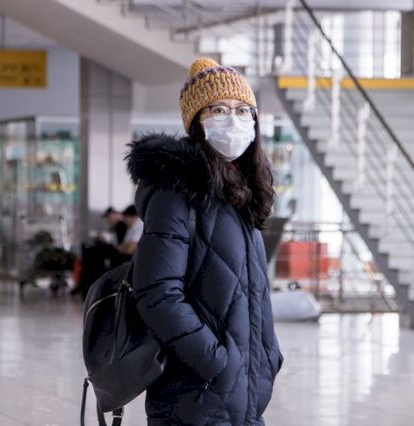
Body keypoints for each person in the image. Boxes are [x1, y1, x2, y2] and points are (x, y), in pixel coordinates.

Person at [125, 58, 283, 425]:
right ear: (196, 121)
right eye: (219, 110)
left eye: (243, 110)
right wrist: (216, 363)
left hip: (243, 396)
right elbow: (158, 293)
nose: (234, 120)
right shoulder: (176, 193)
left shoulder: (241, 195)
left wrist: (268, 357)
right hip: (194, 398)